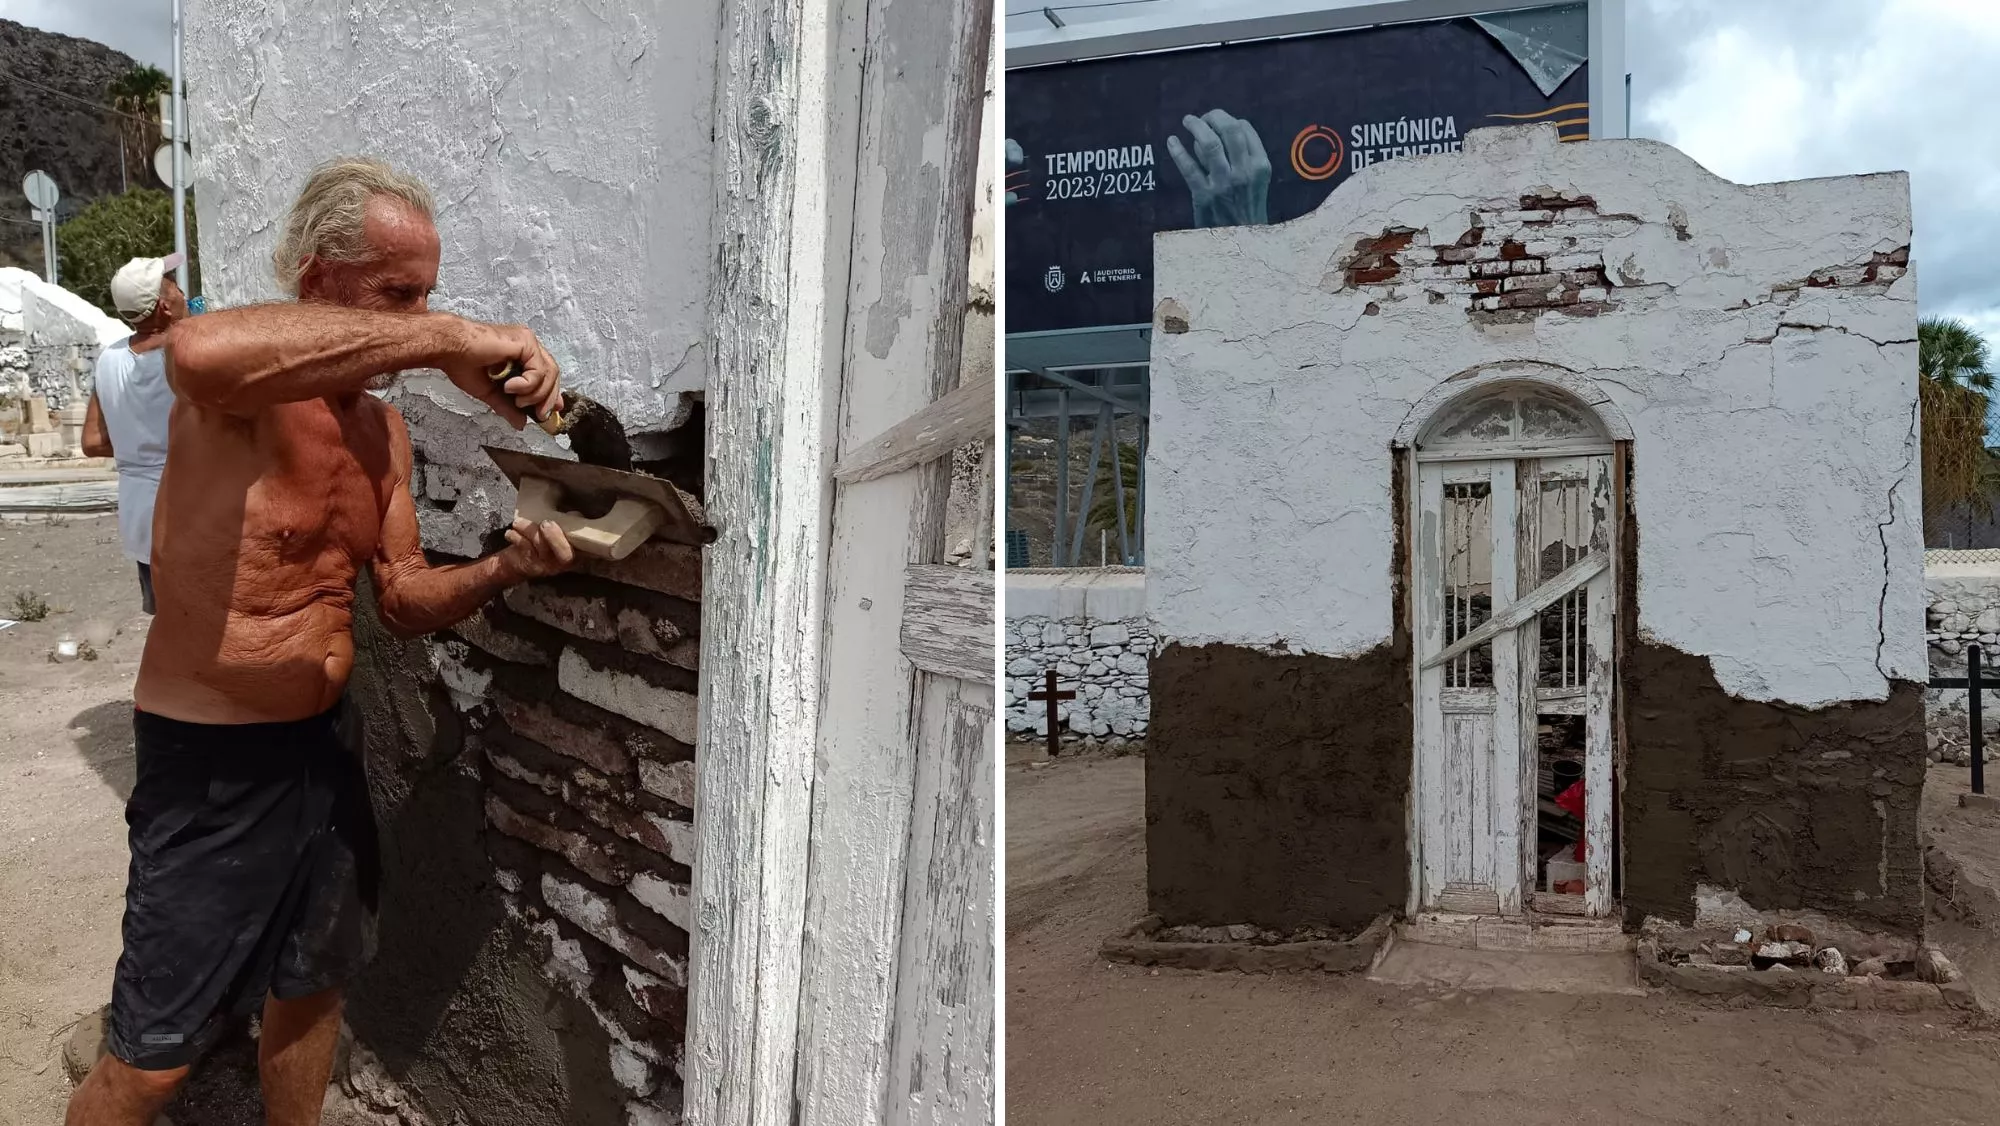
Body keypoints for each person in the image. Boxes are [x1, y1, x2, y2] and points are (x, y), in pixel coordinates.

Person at [66, 157, 579, 1126]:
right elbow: (200, 351)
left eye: (427, 293)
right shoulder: (238, 394)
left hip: (322, 750)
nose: (416, 314)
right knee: (152, 1058)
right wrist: (450, 338)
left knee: (310, 988)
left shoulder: (381, 431)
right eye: (395, 293)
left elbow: (403, 598)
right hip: (211, 765)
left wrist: (506, 569)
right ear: (317, 275)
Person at [81, 253, 189, 614]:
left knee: (166, 624)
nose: (182, 290)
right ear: (164, 305)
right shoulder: (185, 354)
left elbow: (93, 442)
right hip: (187, 508)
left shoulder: (108, 359)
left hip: (138, 515)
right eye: (173, 284)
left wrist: (137, 448)